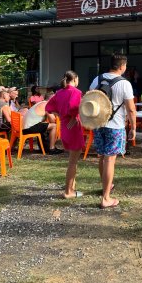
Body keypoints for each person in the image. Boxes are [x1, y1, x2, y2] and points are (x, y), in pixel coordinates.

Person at [89, 53, 136, 209]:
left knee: (102, 157)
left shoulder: (97, 79)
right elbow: (130, 109)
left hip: (98, 123)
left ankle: (106, 188)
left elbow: (90, 100)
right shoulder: (124, 84)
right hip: (115, 125)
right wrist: (133, 127)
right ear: (122, 66)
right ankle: (106, 198)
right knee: (110, 159)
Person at [45, 71, 84, 199]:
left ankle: (71, 186)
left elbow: (49, 107)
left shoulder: (59, 92)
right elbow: (73, 108)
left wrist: (61, 114)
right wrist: (73, 117)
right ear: (75, 79)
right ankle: (68, 191)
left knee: (72, 160)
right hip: (73, 128)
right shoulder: (76, 92)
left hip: (64, 126)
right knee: (73, 162)